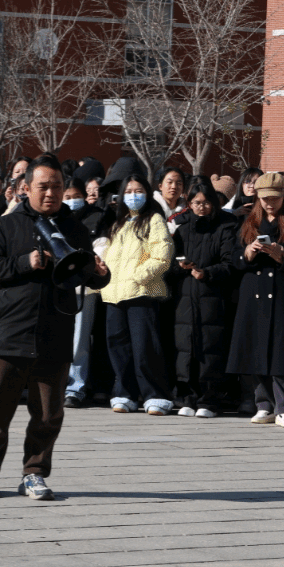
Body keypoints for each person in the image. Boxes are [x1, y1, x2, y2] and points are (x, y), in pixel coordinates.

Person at [0, 155, 109, 500]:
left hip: (55, 331)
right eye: (43, 186)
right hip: (10, 331)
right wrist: (24, 262)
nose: (51, 193)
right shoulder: (7, 225)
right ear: (26, 188)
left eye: (57, 186)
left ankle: (34, 473)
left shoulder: (75, 228)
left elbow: (86, 274)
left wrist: (100, 275)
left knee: (48, 413)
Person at [226, 172, 284, 428]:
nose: (269, 203)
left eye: (275, 198)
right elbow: (232, 257)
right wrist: (247, 253)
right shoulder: (247, 223)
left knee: (281, 353)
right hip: (253, 296)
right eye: (264, 198)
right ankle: (263, 404)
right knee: (255, 350)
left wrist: (283, 255)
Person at [99, 173, 175, 415]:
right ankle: (124, 393)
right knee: (118, 347)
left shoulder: (154, 219)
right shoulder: (118, 223)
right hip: (114, 293)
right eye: (129, 191)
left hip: (141, 292)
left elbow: (162, 255)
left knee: (145, 347)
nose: (133, 196)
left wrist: (138, 276)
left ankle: (155, 395)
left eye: (139, 191)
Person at [168, 177, 239, 418]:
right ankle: (187, 397)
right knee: (185, 348)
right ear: (189, 204)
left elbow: (230, 263)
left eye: (206, 202)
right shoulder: (182, 228)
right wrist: (180, 267)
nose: (202, 207)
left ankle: (209, 401)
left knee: (211, 348)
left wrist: (208, 273)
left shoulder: (225, 226)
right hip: (185, 297)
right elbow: (169, 264)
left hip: (213, 297)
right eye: (197, 203)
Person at [64, 176, 111, 408]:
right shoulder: (55, 218)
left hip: (85, 289)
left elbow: (100, 250)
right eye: (67, 197)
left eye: (77, 196)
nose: (72, 201)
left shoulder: (97, 217)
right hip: (58, 287)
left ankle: (75, 387)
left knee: (79, 341)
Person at [154, 166, 187, 230]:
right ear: (160, 186)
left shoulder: (187, 210)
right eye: (170, 182)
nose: (174, 187)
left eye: (179, 183)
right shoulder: (151, 208)